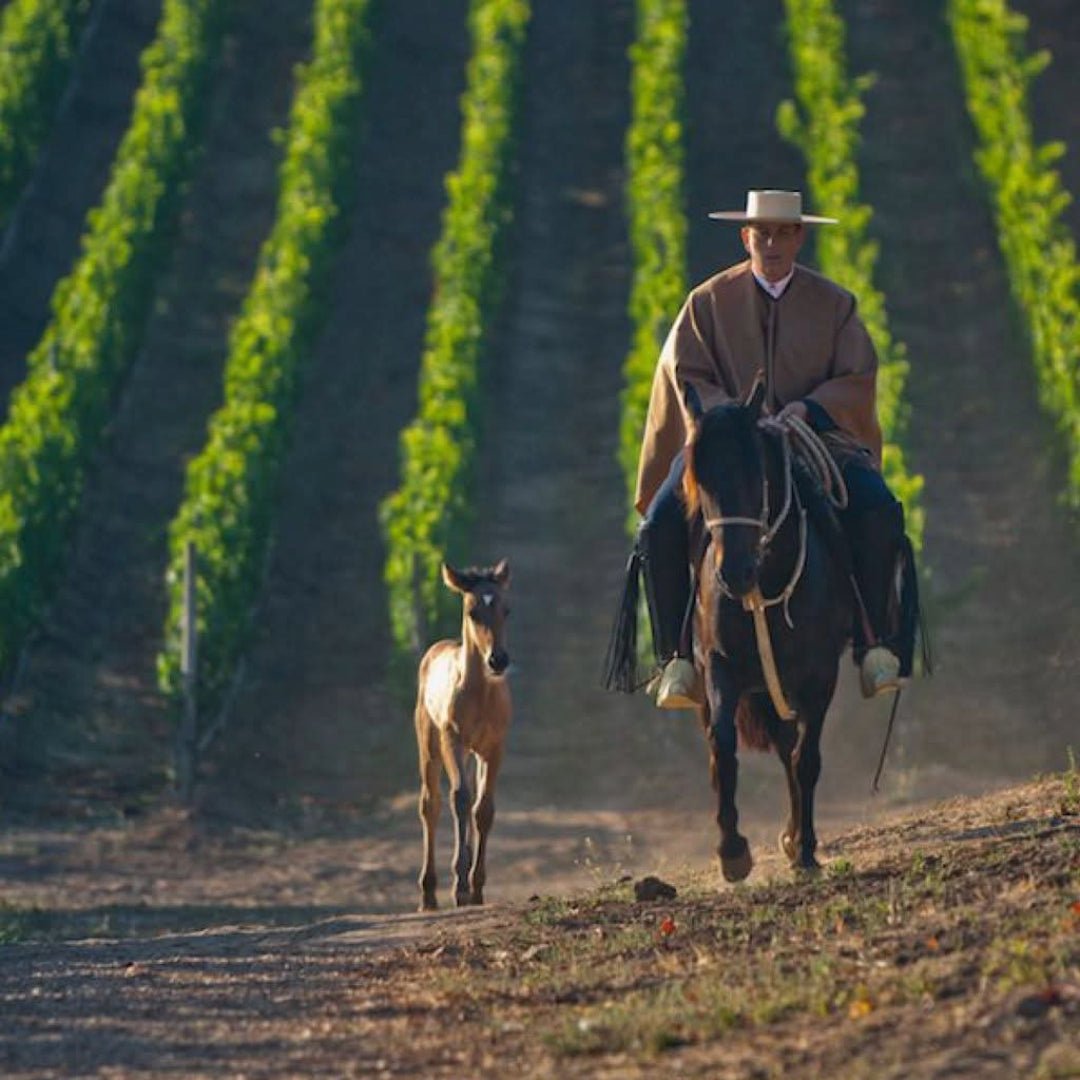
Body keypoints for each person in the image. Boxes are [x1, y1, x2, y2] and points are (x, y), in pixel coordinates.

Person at [634, 189, 908, 709]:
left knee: (877, 509)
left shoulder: (835, 305)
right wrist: (736, 418)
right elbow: (686, 375)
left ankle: (875, 647)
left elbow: (857, 376)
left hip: (815, 440)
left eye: (784, 232)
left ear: (799, 236)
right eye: (762, 232)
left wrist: (806, 409)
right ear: (745, 237)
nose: (772, 242)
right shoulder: (706, 302)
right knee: (661, 524)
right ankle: (677, 657)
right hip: (724, 445)